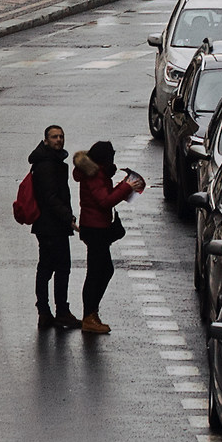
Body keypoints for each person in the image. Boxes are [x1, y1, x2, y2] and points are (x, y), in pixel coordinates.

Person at [73, 139, 143, 334]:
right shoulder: (94, 175)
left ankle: (92, 313)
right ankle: (89, 316)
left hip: (96, 227)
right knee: (98, 272)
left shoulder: (98, 172)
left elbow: (105, 196)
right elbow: (104, 201)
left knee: (102, 271)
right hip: (95, 229)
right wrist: (126, 187)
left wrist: (123, 185)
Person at [28, 123, 77, 330]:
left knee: (46, 267)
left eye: (61, 136)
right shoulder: (48, 164)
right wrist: (69, 218)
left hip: (46, 225)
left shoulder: (49, 160)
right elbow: (51, 197)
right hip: (52, 226)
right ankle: (60, 312)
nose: (59, 140)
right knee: (61, 268)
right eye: (54, 137)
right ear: (46, 140)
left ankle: (45, 312)